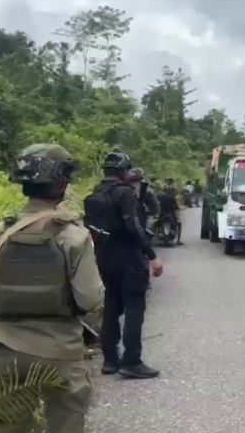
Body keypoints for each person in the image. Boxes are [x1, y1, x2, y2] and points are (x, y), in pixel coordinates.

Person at [0, 144, 104, 432]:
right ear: (61, 183)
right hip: (61, 354)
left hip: (6, 352)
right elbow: (90, 300)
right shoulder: (74, 236)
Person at [84, 151, 163, 379]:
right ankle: (132, 360)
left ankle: (110, 359)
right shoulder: (125, 194)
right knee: (134, 308)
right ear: (124, 171)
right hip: (129, 259)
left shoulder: (96, 193)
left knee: (111, 306)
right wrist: (152, 255)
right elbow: (134, 227)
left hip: (104, 258)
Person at [157, 178, 183, 245]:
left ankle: (153, 237)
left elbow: (156, 204)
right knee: (179, 224)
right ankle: (178, 241)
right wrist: (178, 208)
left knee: (156, 224)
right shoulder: (172, 197)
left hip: (161, 214)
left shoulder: (159, 196)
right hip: (171, 214)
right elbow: (177, 207)